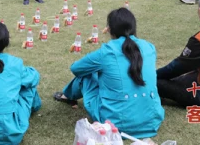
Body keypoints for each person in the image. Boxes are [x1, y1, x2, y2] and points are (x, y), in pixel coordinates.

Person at [54, 8, 164, 139]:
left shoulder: (107, 51)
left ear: (110, 29)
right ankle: (68, 95)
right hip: (151, 121)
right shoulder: (149, 47)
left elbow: (76, 69)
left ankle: (67, 95)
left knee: (87, 75)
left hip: (116, 125)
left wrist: (97, 70)